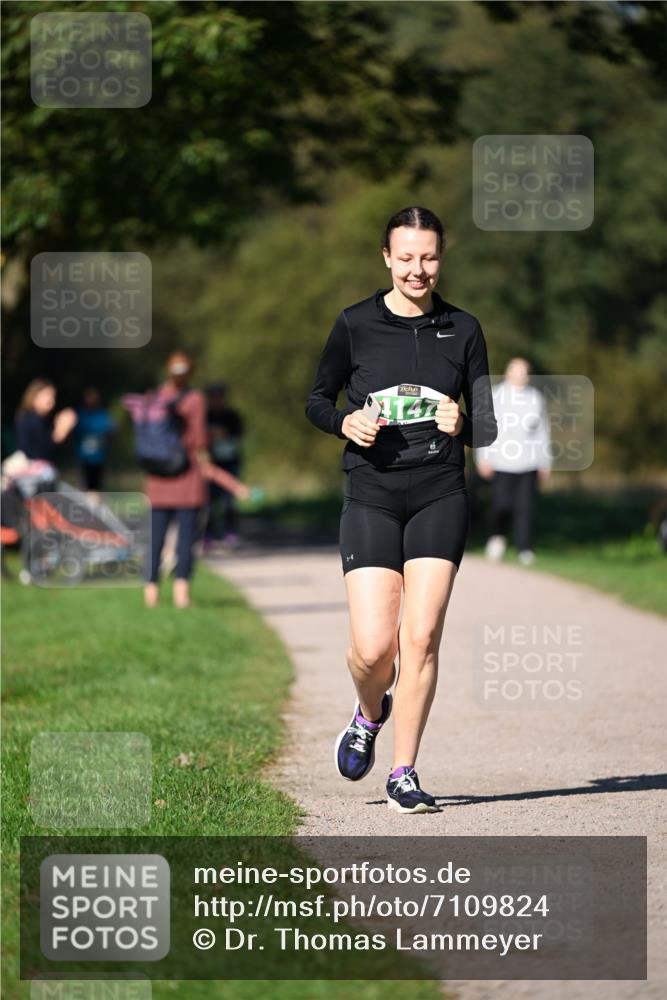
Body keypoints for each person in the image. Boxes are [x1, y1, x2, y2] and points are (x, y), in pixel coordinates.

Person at [305, 206, 497, 814]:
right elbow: (316, 400)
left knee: (421, 636)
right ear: (387, 257)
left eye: (429, 257)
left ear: (441, 258)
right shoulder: (355, 324)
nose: (418, 269)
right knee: (372, 651)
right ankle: (369, 712)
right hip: (372, 493)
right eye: (406, 257)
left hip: (440, 493)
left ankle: (403, 772)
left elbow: (489, 427)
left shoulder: (464, 329)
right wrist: (345, 422)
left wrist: (463, 423)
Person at [142, 352, 251, 609]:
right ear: (190, 373)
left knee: (155, 538)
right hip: (188, 479)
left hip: (157, 478)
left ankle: (151, 595)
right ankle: (181, 596)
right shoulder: (195, 400)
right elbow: (200, 442)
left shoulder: (153, 398)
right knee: (186, 540)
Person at [474, 357, 551, 566]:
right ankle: (497, 537)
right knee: (501, 504)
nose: (520, 375)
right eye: (516, 371)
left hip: (528, 462)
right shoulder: (495, 395)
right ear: (507, 373)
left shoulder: (535, 398)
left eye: (524, 372)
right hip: (500, 462)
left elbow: (542, 432)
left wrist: (545, 461)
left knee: (526, 508)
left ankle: (525, 548)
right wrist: (483, 457)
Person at [204, 381, 245, 548]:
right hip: (211, 463)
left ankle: (230, 532)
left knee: (229, 501)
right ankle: (208, 534)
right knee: (208, 501)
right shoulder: (205, 416)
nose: (216, 400)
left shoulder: (232, 416)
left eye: (219, 397)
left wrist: (223, 433)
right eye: (213, 397)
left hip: (230, 462)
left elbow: (238, 435)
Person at [14, 379, 78, 462]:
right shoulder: (30, 419)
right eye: (47, 394)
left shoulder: (41, 419)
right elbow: (36, 453)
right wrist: (60, 431)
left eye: (53, 396)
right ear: (35, 395)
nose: (51, 400)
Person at [75, 387, 117, 492]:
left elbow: (112, 430)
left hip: (99, 459)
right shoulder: (80, 414)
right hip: (83, 459)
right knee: (84, 488)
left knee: (96, 489)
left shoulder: (103, 415)